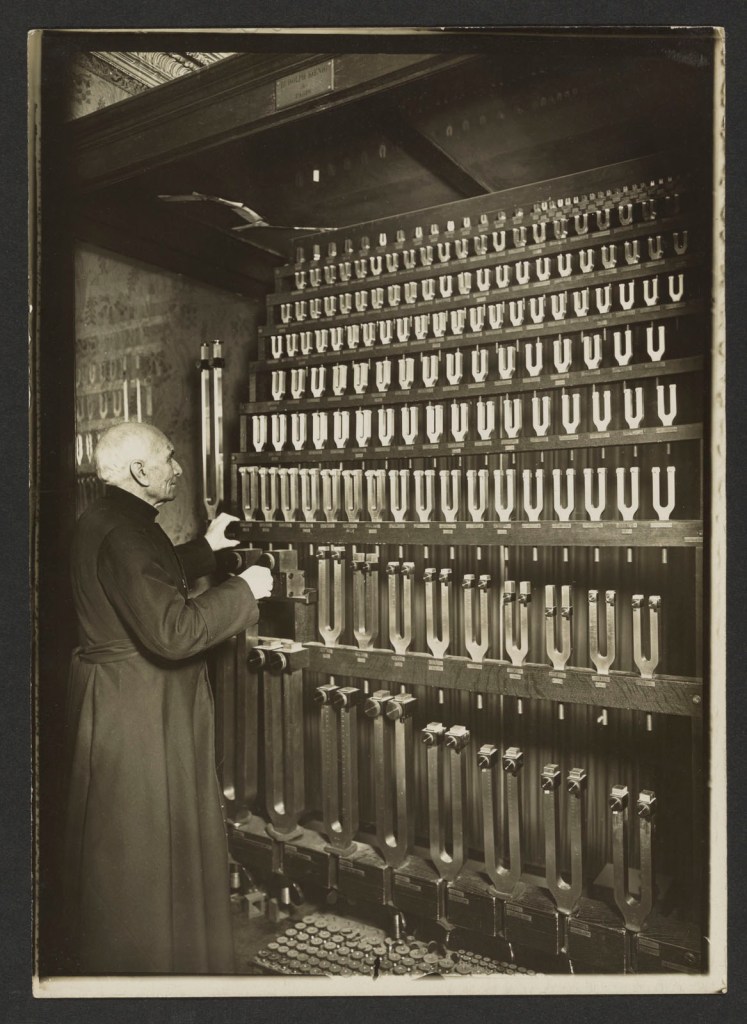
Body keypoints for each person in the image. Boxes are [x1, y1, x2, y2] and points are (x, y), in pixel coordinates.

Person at [63, 421, 272, 975]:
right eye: (169, 458)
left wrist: (208, 550)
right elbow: (173, 632)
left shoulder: (109, 520)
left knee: (133, 847)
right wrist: (244, 591)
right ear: (140, 470)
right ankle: (154, 975)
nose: (178, 468)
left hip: (121, 700)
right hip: (137, 709)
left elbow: (144, 575)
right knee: (141, 850)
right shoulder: (124, 533)